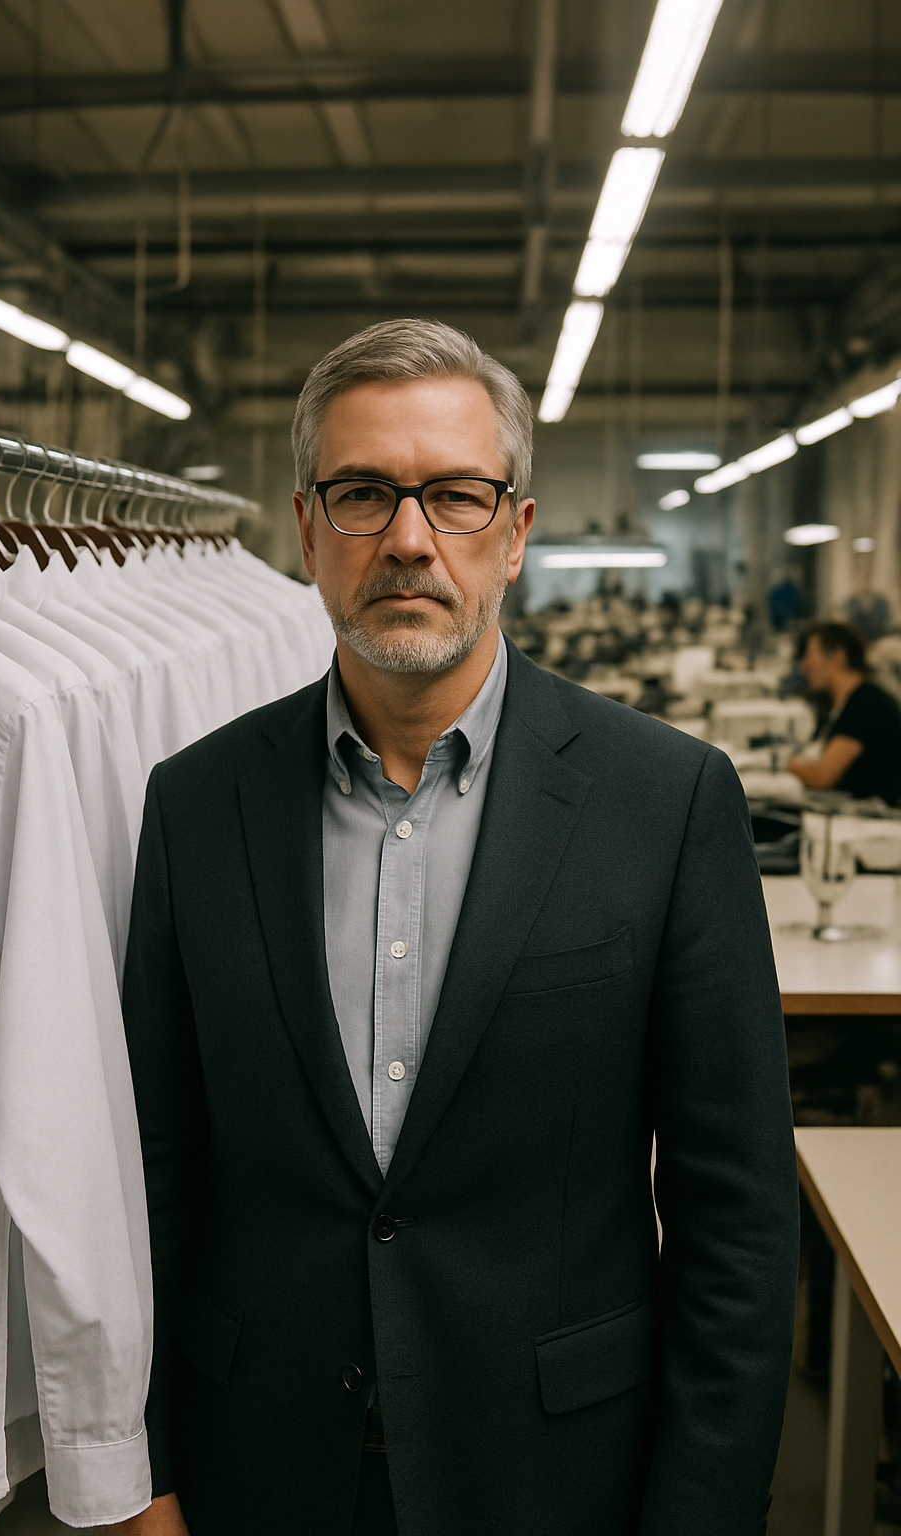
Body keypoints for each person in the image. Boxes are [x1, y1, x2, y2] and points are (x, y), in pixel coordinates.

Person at [119, 319, 798, 1536]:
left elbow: (734, 1221)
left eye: (458, 496)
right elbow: (155, 1172)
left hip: (556, 1474)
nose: (410, 539)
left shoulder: (667, 800)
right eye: (365, 494)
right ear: (306, 528)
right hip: (253, 1468)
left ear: (518, 531)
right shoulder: (195, 801)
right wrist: (141, 1476)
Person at [788, 620, 901, 804]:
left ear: (838, 656)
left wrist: (789, 763)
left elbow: (822, 777)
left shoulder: (866, 704)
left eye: (810, 655)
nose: (805, 664)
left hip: (864, 818)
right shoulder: (843, 703)